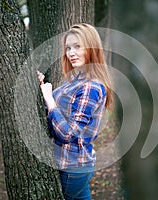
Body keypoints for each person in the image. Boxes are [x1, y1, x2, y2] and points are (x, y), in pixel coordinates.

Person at [37, 23, 113, 200]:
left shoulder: (90, 87)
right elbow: (59, 111)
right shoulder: (76, 79)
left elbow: (68, 134)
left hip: (71, 168)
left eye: (78, 46)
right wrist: (40, 86)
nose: (71, 53)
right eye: (68, 48)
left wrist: (49, 99)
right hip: (75, 165)